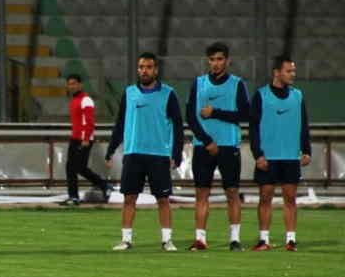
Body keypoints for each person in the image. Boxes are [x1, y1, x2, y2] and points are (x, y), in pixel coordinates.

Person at [105, 52, 184, 251]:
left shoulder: (168, 93)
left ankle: (167, 240)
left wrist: (176, 153)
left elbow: (177, 126)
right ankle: (126, 240)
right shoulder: (129, 93)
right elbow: (120, 123)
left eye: (148, 67)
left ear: (156, 70)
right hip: (133, 153)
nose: (144, 70)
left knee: (163, 199)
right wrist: (111, 149)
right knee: (129, 198)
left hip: (158, 154)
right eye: (141, 67)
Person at [186, 42, 250, 251]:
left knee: (232, 192)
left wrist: (216, 112)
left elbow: (246, 114)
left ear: (227, 61)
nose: (216, 63)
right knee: (201, 193)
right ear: (208, 61)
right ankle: (200, 239)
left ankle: (234, 239)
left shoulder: (237, 84)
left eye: (220, 59)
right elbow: (191, 117)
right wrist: (207, 141)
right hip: (203, 146)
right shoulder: (198, 83)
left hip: (229, 145)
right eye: (212, 59)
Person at [249, 55, 311, 252]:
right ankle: (263, 240)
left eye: (293, 71)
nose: (293, 74)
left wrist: (306, 150)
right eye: (289, 71)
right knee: (265, 197)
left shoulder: (297, 96)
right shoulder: (261, 95)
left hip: (291, 156)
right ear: (277, 73)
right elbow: (253, 128)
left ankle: (290, 240)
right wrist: (257, 154)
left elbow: (304, 125)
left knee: (290, 199)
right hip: (268, 156)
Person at [61, 74, 112, 205]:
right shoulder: (74, 100)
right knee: (73, 168)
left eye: (74, 83)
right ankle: (75, 195)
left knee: (77, 167)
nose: (71, 86)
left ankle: (102, 186)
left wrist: (86, 138)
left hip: (83, 139)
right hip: (75, 138)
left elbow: (89, 122)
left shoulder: (86, 100)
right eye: (69, 84)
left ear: (80, 84)